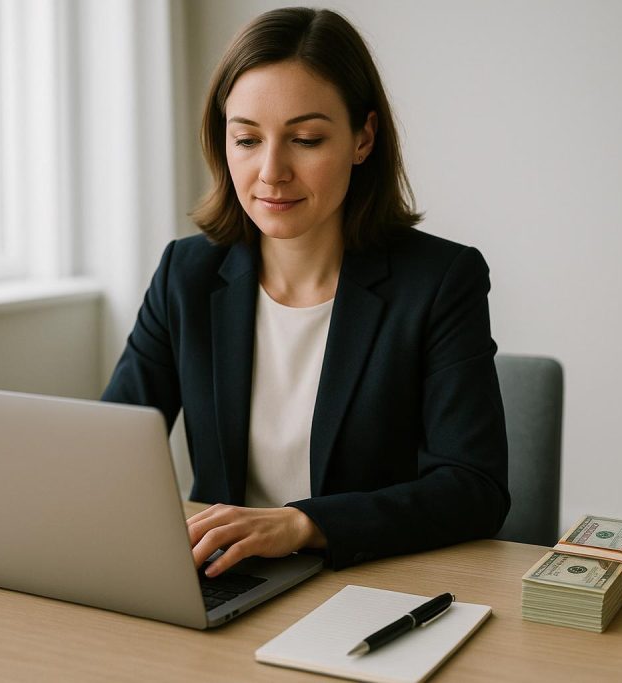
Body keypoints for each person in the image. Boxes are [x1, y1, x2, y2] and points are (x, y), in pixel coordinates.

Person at [102, 7, 509, 578]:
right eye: (246, 139)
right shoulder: (186, 273)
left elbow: (474, 489)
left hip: (369, 582)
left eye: (306, 139)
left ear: (363, 138)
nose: (271, 171)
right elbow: (110, 450)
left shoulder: (441, 281)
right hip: (222, 577)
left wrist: (302, 524)